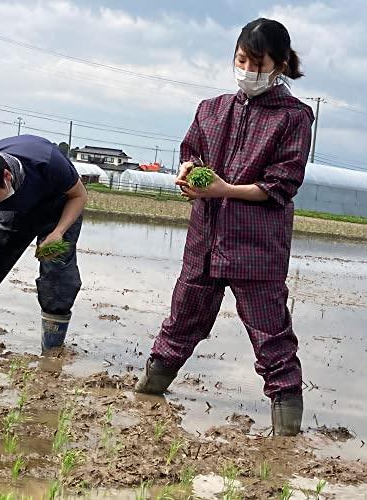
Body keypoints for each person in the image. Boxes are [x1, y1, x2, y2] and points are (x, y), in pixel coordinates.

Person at [135, 18, 314, 436]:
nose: (248, 70)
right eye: (242, 60)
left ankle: (287, 429)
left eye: (258, 62)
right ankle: (148, 392)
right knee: (181, 321)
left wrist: (224, 188)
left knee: (271, 335)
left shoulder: (294, 118)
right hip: (205, 238)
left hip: (256, 246)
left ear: (281, 64)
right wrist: (189, 174)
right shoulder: (212, 109)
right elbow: (191, 153)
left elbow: (281, 186)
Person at [0, 135, 87, 349]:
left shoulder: (49, 162)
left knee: (58, 273)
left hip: (59, 205)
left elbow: (79, 195)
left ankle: (52, 350)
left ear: (7, 176)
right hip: (14, 207)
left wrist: (58, 232)